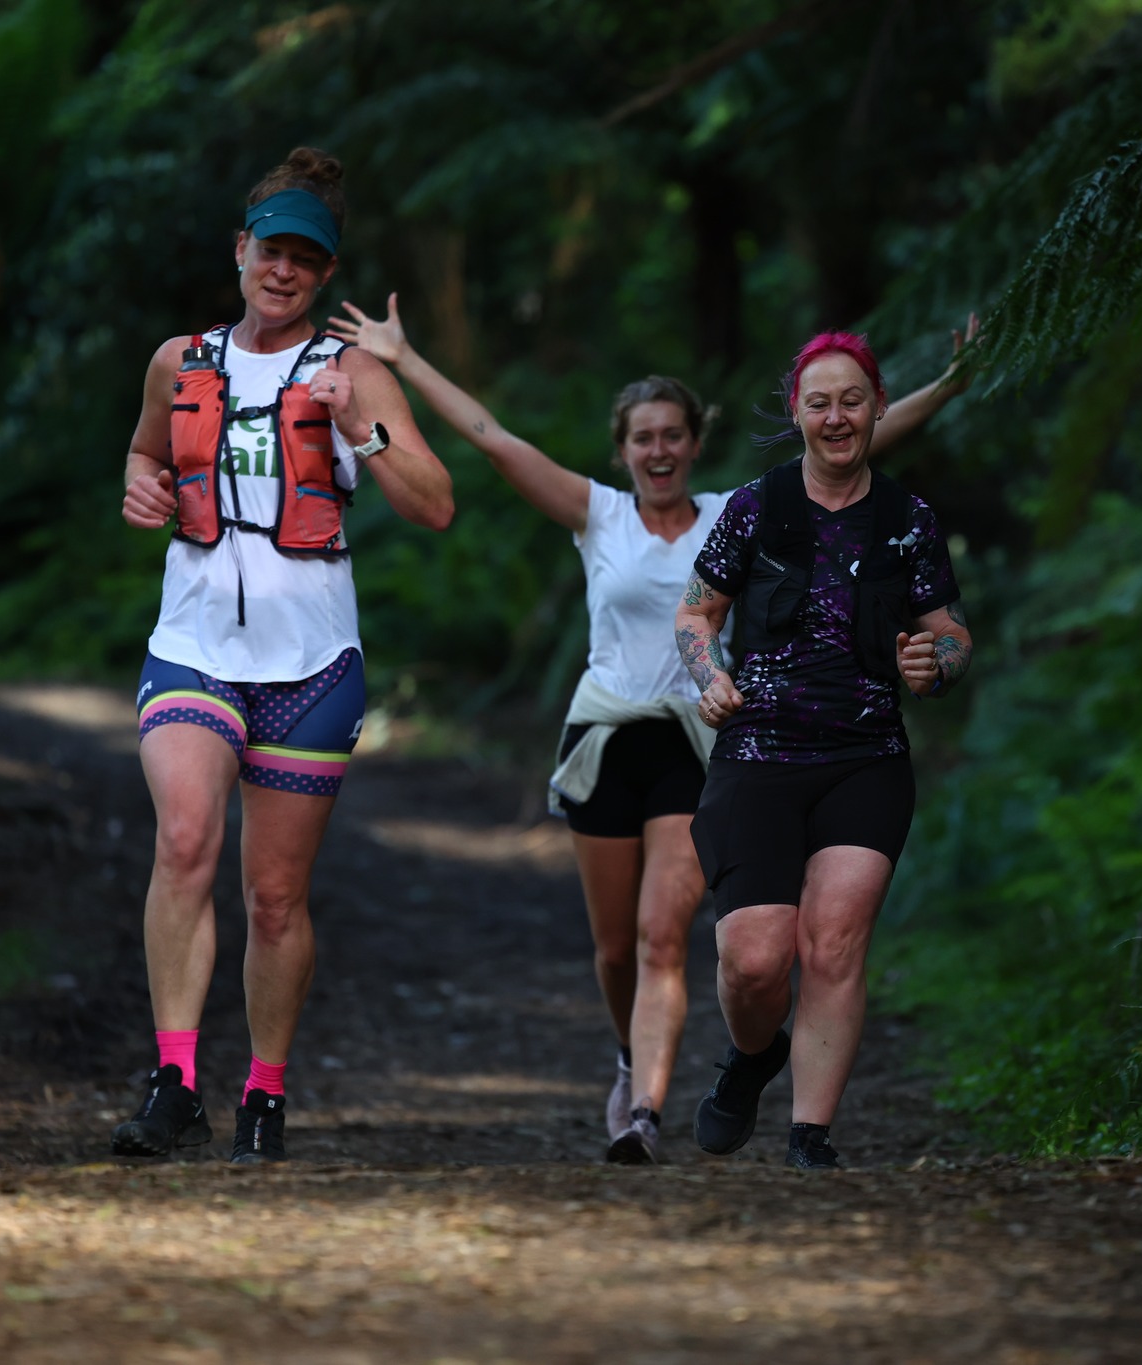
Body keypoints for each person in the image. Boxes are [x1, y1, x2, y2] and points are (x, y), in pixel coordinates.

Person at [326, 296, 974, 1163]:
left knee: (672, 932)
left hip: (706, 740)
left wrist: (955, 382)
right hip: (607, 736)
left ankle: (654, 1111)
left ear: (694, 442)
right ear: (624, 449)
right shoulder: (599, 513)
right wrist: (403, 360)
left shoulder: (734, 509)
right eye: (643, 437)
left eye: (673, 434)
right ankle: (638, 1053)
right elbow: (491, 435)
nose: (659, 450)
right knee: (618, 945)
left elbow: (860, 432)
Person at [111, 148, 455, 1165]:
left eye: (306, 258)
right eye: (271, 251)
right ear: (240, 251)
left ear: (326, 273)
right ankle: (174, 1081)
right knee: (183, 841)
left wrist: (369, 432)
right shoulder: (179, 361)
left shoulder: (355, 375)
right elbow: (143, 454)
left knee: (274, 896)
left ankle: (263, 1088)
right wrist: (139, 488)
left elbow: (435, 506)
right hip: (193, 648)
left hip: (311, 664)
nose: (284, 271)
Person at [674, 331, 973, 1169]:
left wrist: (934, 662)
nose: (837, 417)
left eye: (852, 400)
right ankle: (753, 1055)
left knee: (834, 943)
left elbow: (950, 635)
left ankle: (811, 1136)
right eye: (819, 401)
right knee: (755, 959)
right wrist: (709, 675)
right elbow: (698, 615)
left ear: (878, 406)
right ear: (795, 413)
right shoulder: (754, 506)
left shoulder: (908, 522)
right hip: (759, 753)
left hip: (865, 755)